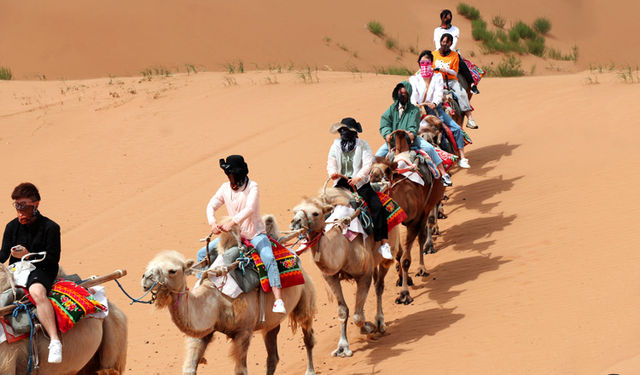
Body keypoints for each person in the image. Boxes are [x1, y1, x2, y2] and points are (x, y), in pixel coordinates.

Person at [203, 155, 286, 313]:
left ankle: (278, 300)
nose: (229, 177)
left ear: (238, 174)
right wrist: (212, 222)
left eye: (231, 174)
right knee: (203, 254)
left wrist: (232, 222)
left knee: (268, 258)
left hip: (255, 234)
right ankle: (205, 293)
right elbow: (211, 205)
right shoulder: (225, 188)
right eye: (228, 175)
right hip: (234, 236)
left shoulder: (252, 187)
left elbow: (249, 209)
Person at [0, 183, 62, 363]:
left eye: (24, 206)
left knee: (37, 293)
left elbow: (53, 258)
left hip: (41, 270)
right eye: (16, 206)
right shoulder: (12, 226)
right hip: (15, 271)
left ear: (36, 205)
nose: (20, 211)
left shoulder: (51, 228)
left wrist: (27, 255)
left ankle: (55, 341)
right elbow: (3, 254)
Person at [327, 117, 392, 260]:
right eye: (342, 130)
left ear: (354, 132)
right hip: (340, 184)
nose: (344, 132)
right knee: (321, 208)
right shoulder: (335, 146)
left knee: (378, 208)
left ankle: (384, 243)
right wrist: (332, 173)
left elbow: (368, 164)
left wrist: (358, 177)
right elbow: (331, 162)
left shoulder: (363, 145)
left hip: (360, 184)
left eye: (347, 130)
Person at [375, 81, 453, 186]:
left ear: (408, 95)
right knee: (377, 157)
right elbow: (384, 123)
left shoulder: (414, 110)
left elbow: (413, 125)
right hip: (393, 141)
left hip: (410, 140)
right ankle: (371, 181)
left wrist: (410, 133)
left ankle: (443, 174)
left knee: (429, 148)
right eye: (400, 94)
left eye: (404, 94)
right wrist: (387, 134)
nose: (402, 96)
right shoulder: (391, 109)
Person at [409, 50, 470, 169]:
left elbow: (438, 92)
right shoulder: (414, 79)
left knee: (456, 129)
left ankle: (462, 157)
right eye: (422, 62)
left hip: (435, 109)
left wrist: (434, 103)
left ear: (431, 63)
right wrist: (415, 103)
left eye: (427, 62)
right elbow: (413, 94)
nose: (425, 64)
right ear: (419, 64)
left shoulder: (437, 76)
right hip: (418, 110)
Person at [433, 33, 479, 129]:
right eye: (443, 42)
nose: (444, 44)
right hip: (436, 80)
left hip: (451, 80)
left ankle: (470, 118)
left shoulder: (455, 56)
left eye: (447, 42)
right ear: (440, 42)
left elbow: (457, 71)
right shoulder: (433, 54)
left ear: (450, 44)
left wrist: (446, 70)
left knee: (461, 93)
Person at [434, 9, 480, 96]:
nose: (448, 19)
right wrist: (440, 53)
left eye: (450, 17)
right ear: (442, 18)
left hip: (452, 53)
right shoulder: (437, 30)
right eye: (446, 17)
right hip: (438, 52)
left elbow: (453, 44)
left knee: (462, 64)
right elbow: (437, 43)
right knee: (425, 61)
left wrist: (447, 51)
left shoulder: (455, 29)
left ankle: (472, 85)